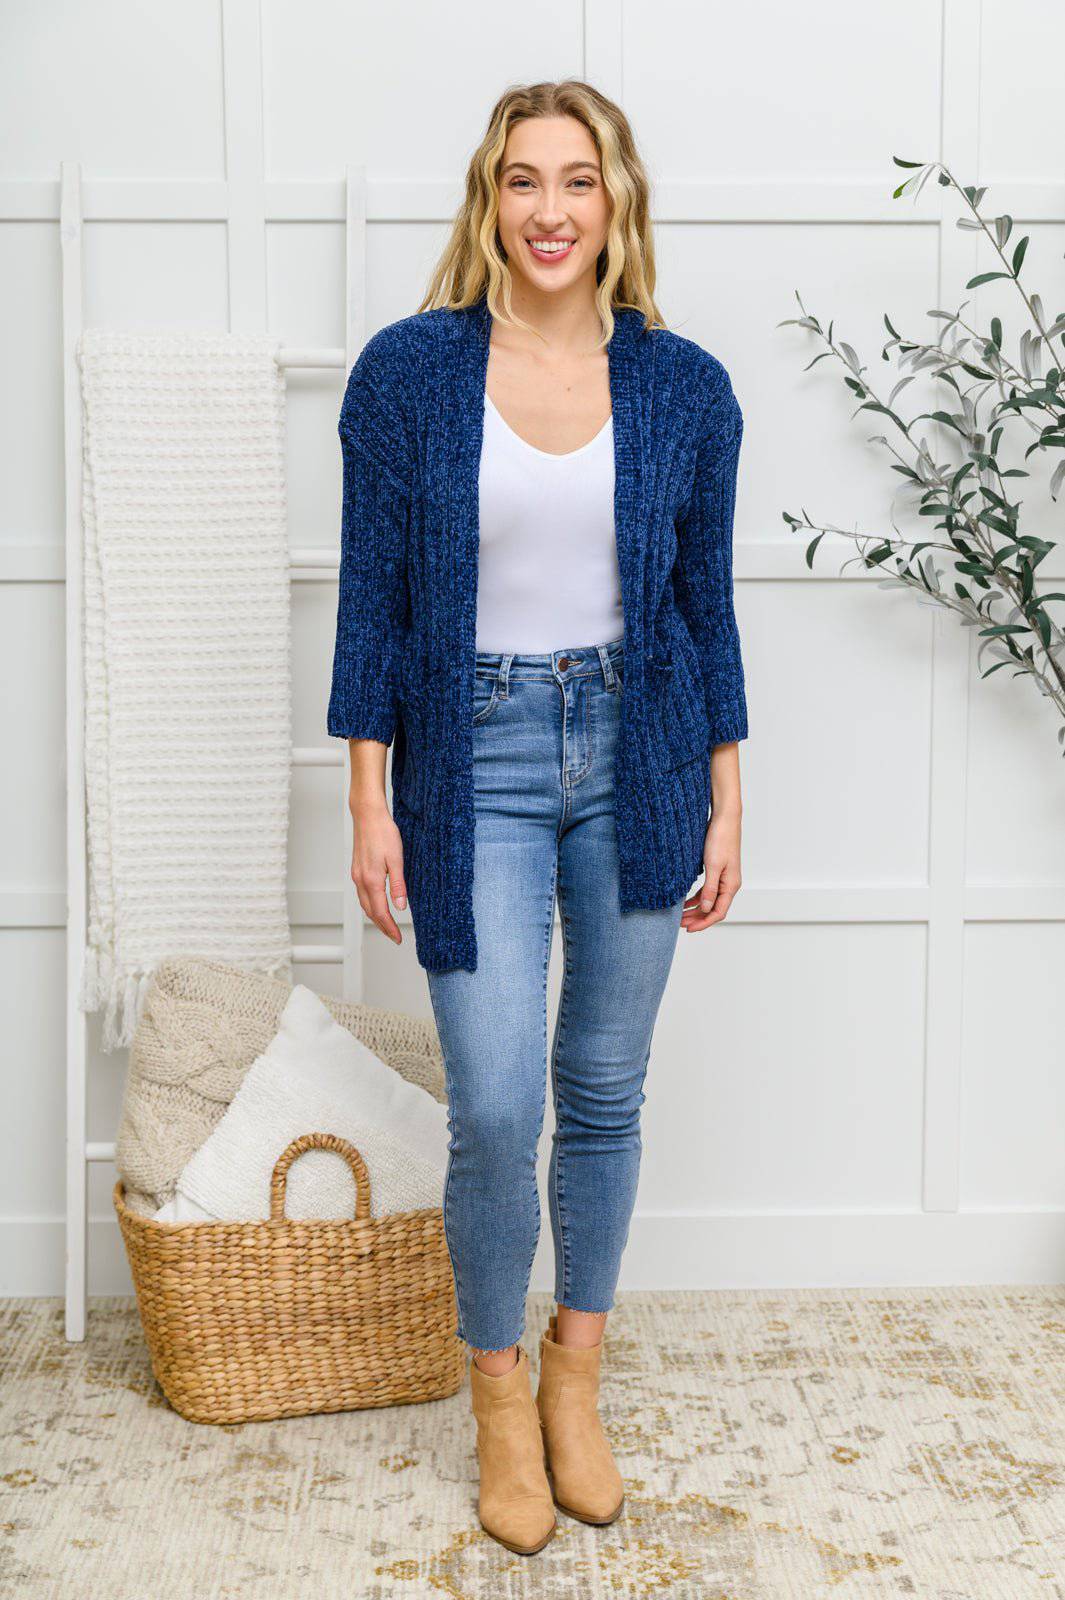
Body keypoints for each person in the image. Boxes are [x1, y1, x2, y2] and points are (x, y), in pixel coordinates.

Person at [327, 78, 748, 1557]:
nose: (551, 210)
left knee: (606, 1091)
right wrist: (368, 798)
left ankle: (577, 1378)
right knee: (499, 1104)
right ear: (488, 200)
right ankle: (497, 1396)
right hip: (473, 757)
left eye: (578, 180)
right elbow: (373, 601)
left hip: (642, 749)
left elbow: (705, 606)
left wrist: (724, 795)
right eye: (524, 181)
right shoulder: (409, 373)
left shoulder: (687, 386)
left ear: (616, 200)